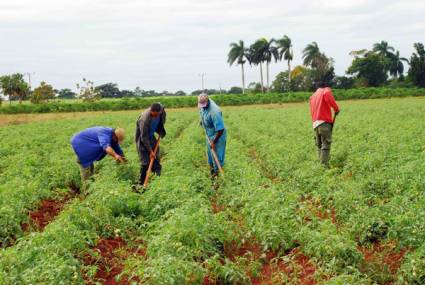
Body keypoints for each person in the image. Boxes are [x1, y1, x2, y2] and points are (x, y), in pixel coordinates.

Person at [135, 102, 166, 186]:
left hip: (151, 136)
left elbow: (163, 119)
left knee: (156, 160)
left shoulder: (161, 110)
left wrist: (160, 130)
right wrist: (150, 150)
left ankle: (156, 182)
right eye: (153, 115)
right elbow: (144, 137)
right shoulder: (144, 119)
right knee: (145, 162)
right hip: (142, 140)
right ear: (151, 111)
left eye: (157, 115)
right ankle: (141, 184)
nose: (155, 116)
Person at [309, 83, 340, 167]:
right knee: (326, 144)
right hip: (324, 122)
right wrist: (336, 109)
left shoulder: (313, 96)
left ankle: (321, 165)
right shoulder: (325, 90)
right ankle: (324, 166)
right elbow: (327, 94)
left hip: (315, 123)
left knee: (319, 145)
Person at [198, 93, 227, 177]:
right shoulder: (202, 103)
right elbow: (201, 110)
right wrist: (202, 120)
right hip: (209, 133)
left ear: (208, 101)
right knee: (210, 155)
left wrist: (214, 142)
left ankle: (218, 176)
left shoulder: (214, 112)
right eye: (201, 105)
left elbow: (220, 129)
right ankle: (212, 172)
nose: (202, 106)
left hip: (217, 135)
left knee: (217, 157)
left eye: (204, 105)